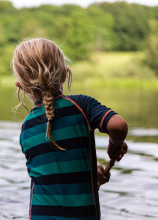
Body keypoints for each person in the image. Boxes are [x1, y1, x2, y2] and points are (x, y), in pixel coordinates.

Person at [12, 38, 128, 220]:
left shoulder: (26, 128)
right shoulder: (82, 105)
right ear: (65, 74)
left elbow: (53, 178)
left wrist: (89, 175)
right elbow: (118, 125)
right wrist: (114, 144)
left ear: (20, 85)